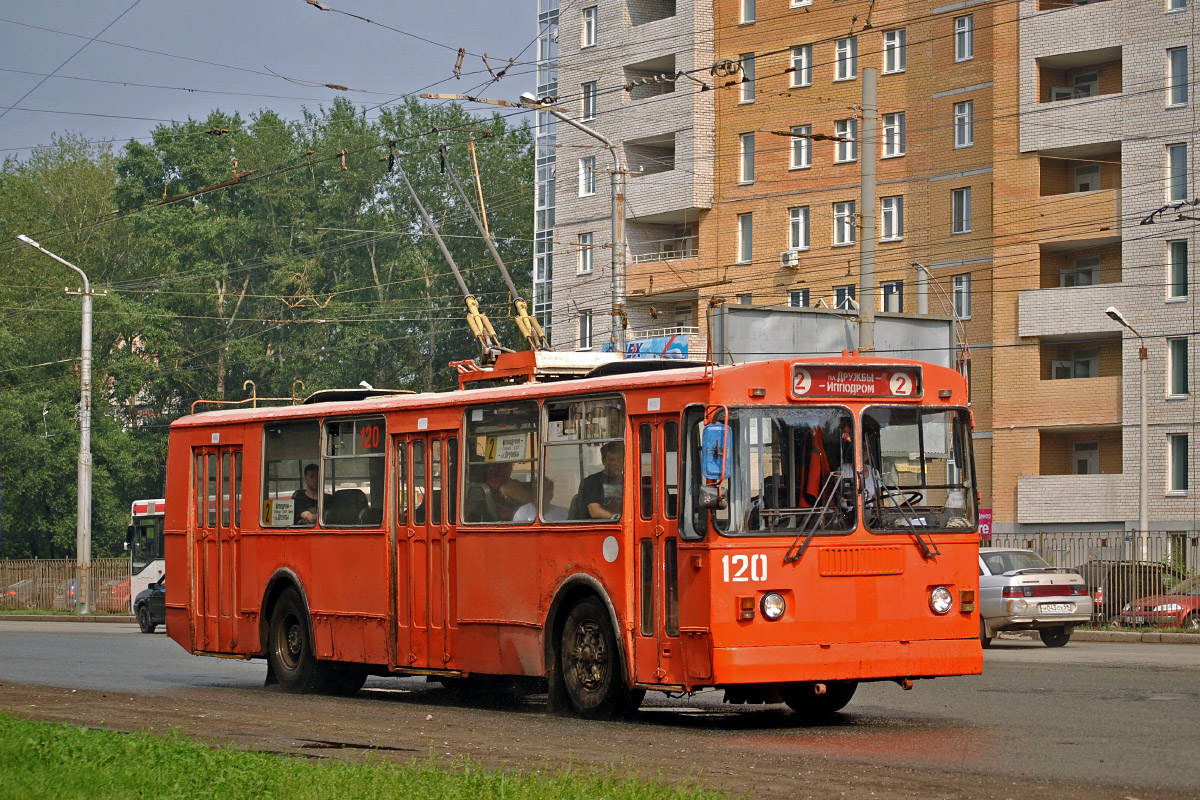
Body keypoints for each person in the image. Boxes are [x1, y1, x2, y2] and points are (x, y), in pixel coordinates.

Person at [578, 441, 624, 519]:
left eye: (620, 459)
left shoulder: (628, 480)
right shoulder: (592, 481)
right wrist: (616, 518)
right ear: (604, 461)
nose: (617, 463)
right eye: (613, 460)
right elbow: (594, 511)